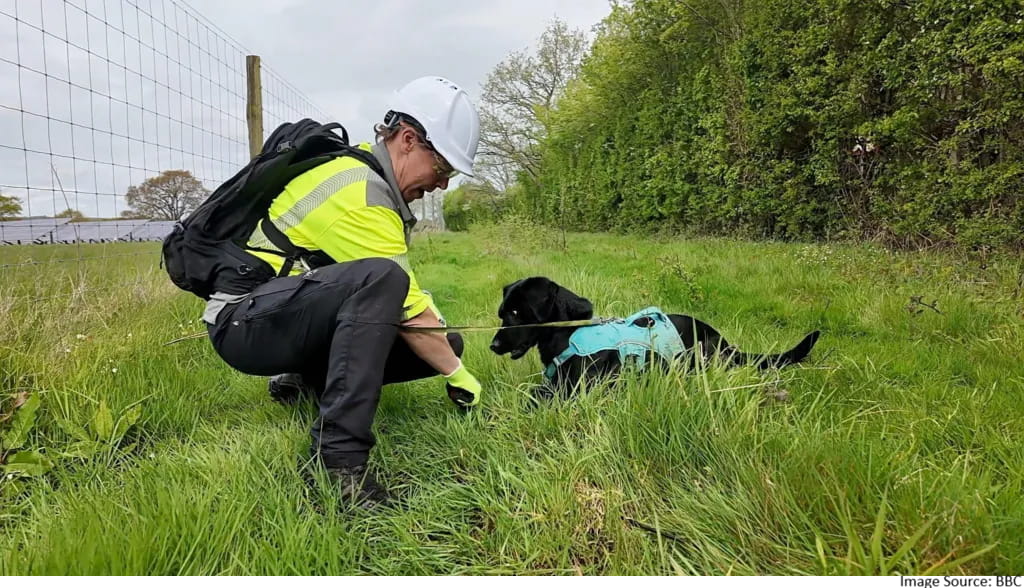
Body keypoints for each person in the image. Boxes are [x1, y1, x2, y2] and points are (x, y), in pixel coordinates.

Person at [202, 76, 483, 509]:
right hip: (243, 321)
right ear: (408, 140)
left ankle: (302, 381)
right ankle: (337, 466)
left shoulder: (367, 184)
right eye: (442, 168)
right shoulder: (360, 193)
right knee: (385, 283)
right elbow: (405, 302)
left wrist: (448, 354)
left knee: (442, 341)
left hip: (275, 314)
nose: (442, 184)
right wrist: (460, 375)